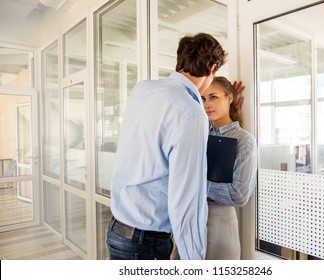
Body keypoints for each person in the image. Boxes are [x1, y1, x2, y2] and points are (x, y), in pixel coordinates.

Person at [106, 33, 227, 260]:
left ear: (181, 61)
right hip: (145, 242)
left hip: (117, 230)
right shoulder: (190, 112)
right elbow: (187, 199)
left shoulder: (143, 90)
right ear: (212, 68)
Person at [202, 76, 257, 260]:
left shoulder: (243, 140)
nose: (207, 104)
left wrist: (198, 185)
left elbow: (239, 195)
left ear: (230, 98)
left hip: (220, 222)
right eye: (203, 98)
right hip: (192, 218)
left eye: (214, 97)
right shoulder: (199, 132)